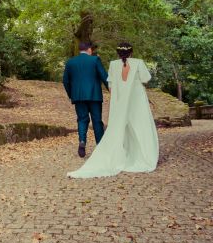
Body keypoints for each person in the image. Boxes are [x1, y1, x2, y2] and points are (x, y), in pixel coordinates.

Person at [68, 42, 159, 178]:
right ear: (131, 52)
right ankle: (135, 153)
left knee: (90, 121)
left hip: (111, 102)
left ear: (118, 53)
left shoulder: (111, 64)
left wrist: (72, 95)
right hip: (131, 101)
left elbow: (109, 84)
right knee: (136, 126)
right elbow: (145, 79)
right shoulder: (137, 62)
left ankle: (86, 142)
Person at [63, 41, 109, 158]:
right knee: (97, 120)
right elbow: (104, 77)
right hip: (94, 96)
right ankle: (101, 146)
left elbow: (65, 81)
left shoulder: (70, 62)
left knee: (82, 119)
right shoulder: (95, 60)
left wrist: (71, 94)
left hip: (78, 97)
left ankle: (82, 141)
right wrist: (112, 90)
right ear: (89, 49)